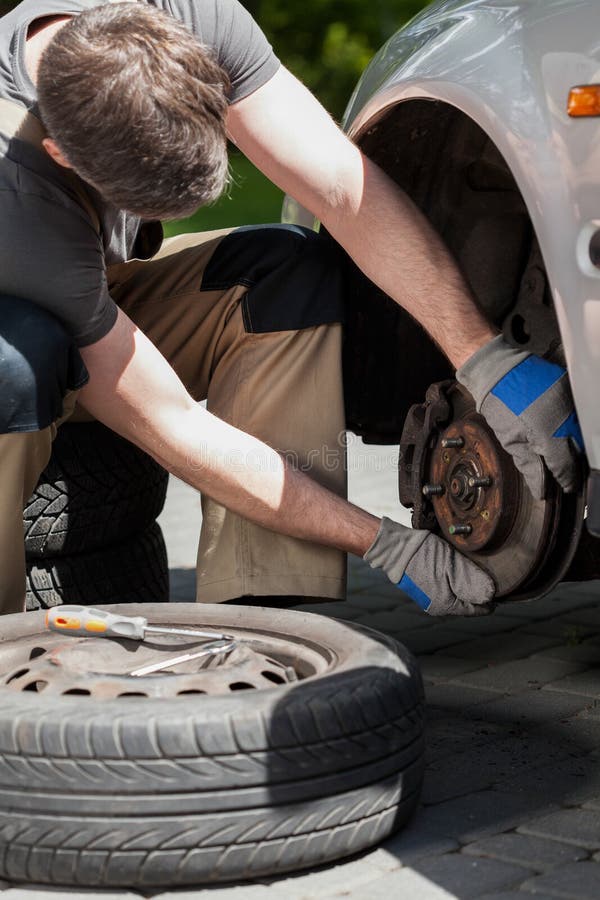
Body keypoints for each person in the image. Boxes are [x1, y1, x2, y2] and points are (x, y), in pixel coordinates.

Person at [0, 0, 583, 616]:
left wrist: (486, 358)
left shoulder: (190, 14)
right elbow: (175, 427)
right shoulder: (15, 195)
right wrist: (384, 544)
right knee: (19, 357)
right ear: (62, 153)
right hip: (22, 313)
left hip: (95, 281)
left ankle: (268, 615)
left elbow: (339, 183)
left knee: (282, 275)